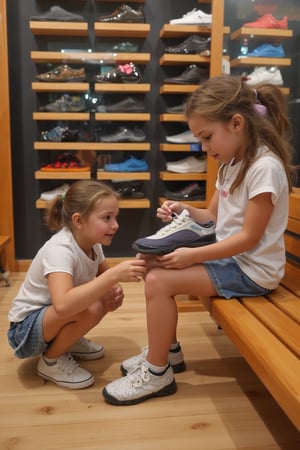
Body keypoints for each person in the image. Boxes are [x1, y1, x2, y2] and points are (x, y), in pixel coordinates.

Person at [102, 75, 295, 405]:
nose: (204, 149)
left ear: (236, 123)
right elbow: (214, 218)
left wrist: (194, 257)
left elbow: (249, 238)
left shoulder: (265, 168)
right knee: (151, 267)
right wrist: (184, 210)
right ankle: (169, 352)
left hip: (254, 271)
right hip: (235, 260)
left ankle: (158, 372)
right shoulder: (231, 163)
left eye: (207, 138)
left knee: (159, 280)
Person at [7, 180, 146, 389]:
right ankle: (51, 360)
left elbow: (103, 275)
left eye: (115, 217)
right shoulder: (60, 249)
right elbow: (63, 305)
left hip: (48, 320)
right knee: (93, 305)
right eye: (107, 217)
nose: (115, 224)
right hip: (24, 333)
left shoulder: (92, 244)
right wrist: (113, 277)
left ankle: (67, 341)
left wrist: (113, 288)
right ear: (78, 220)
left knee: (102, 298)